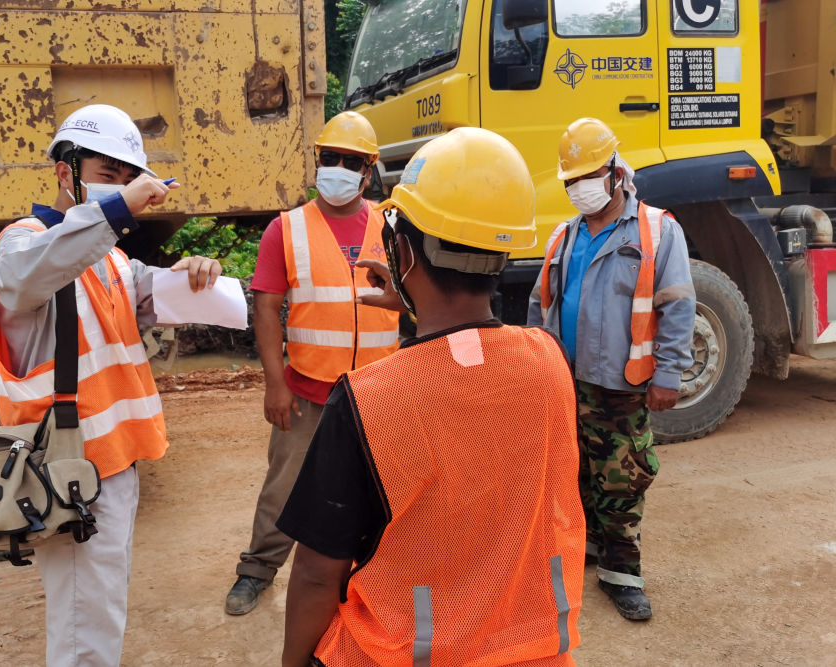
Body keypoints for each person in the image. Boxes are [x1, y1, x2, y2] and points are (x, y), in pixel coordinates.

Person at [278, 127, 585, 666]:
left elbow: (316, 572)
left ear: (401, 252)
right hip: (531, 652)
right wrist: (419, 297)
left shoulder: (368, 398)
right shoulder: (548, 360)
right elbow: (471, 363)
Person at [0, 103, 221, 666]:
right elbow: (23, 279)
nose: (117, 193)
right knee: (83, 630)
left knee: (98, 610)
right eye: (105, 178)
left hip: (111, 465)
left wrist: (194, 271)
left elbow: (147, 291)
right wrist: (118, 209)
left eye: (125, 180)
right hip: (68, 472)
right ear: (65, 174)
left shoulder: (109, 257)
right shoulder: (26, 242)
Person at [225, 111, 401, 615]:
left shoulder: (391, 224)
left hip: (377, 392)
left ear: (368, 171)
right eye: (331, 158)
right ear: (318, 162)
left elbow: (416, 297)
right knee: (284, 487)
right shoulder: (287, 230)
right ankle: (257, 570)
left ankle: (373, 579)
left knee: (379, 490)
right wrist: (274, 384)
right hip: (307, 391)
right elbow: (265, 309)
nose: (339, 169)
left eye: (351, 161)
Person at [527, 117, 696, 621]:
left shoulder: (658, 230)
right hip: (565, 380)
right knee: (573, 473)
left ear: (616, 171)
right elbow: (541, 305)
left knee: (621, 479)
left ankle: (623, 576)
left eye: (588, 176)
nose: (579, 188)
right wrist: (535, 366)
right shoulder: (562, 235)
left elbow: (677, 306)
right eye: (570, 180)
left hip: (623, 385)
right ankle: (590, 550)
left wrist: (669, 374)